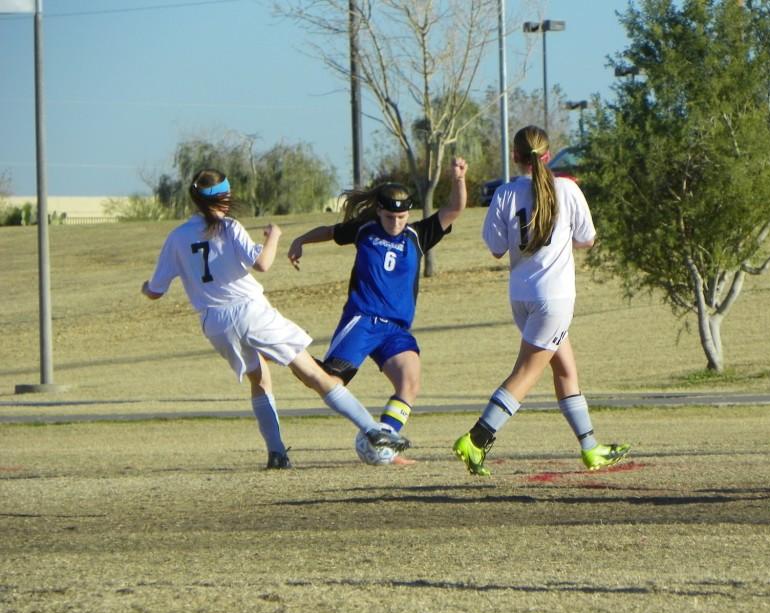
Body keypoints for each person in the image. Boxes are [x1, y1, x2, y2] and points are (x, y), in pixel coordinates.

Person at [142, 169, 409, 470]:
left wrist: (145, 287)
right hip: (250, 312)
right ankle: (373, 430)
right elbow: (263, 264)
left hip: (215, 324)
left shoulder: (177, 237)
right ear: (225, 197)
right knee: (313, 374)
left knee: (259, 378)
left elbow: (154, 292)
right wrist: (275, 237)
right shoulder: (229, 227)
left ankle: (277, 453)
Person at [451, 125, 629, 476]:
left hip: (521, 296)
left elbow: (497, 249)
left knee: (565, 370)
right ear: (548, 155)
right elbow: (587, 239)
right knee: (526, 374)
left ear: (515, 157)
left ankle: (591, 448)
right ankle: (476, 438)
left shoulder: (504, 193)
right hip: (555, 299)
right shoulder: (567, 189)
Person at [287, 157, 468, 455]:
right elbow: (331, 232)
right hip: (362, 320)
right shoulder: (364, 229)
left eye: (402, 217)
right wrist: (301, 240)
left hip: (396, 330)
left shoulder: (418, 235)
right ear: (379, 211)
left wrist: (459, 178)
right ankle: (289, 350)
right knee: (328, 381)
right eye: (389, 218)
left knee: (409, 382)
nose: (396, 224)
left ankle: (386, 443)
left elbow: (454, 209)